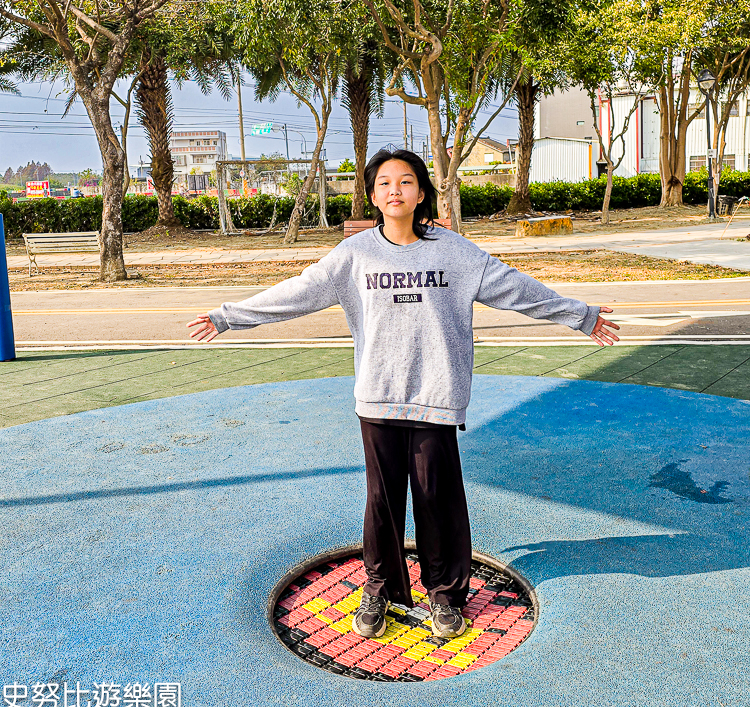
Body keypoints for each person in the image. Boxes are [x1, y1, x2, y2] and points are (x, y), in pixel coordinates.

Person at [187, 147, 619, 641]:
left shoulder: (455, 252)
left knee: (437, 497)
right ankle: (380, 589)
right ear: (373, 196)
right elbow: (297, 292)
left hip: (436, 394)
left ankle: (445, 594)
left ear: (421, 193)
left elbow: (518, 288)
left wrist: (580, 315)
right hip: (378, 396)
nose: (396, 190)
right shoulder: (355, 255)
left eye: (406, 181)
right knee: (382, 500)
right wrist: (227, 316)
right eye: (385, 183)